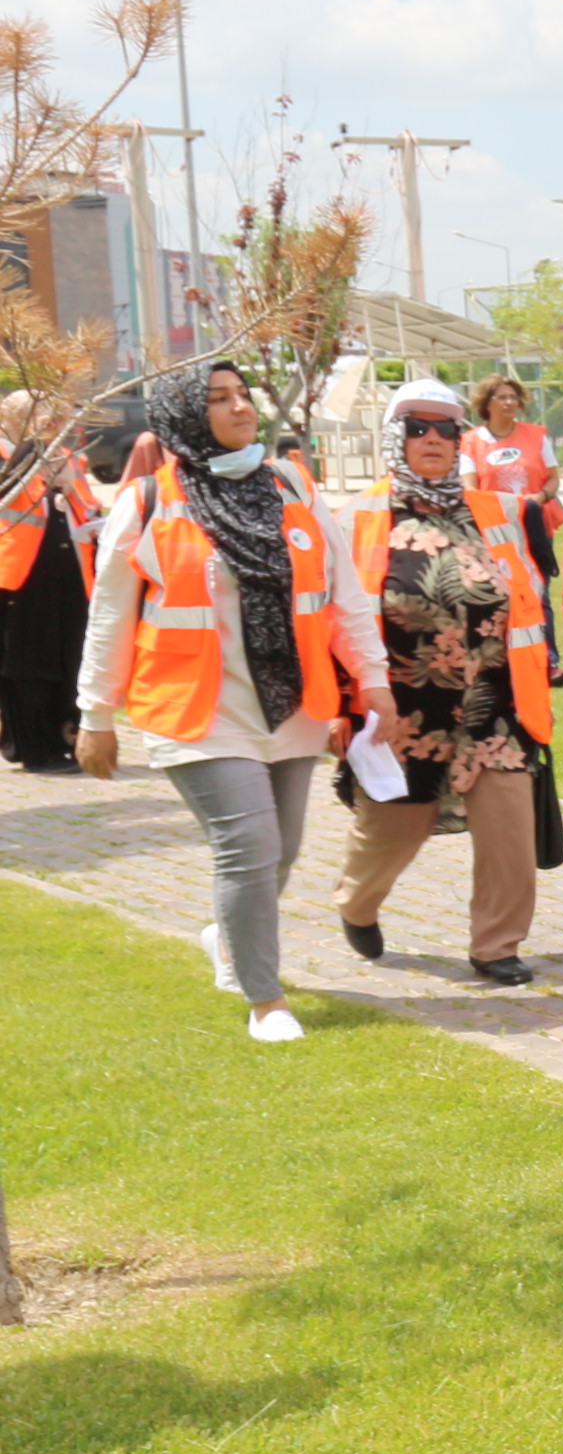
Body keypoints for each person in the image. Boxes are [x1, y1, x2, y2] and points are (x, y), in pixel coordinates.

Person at [74, 360, 388, 1042]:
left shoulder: (291, 485)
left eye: (243, 394)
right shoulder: (150, 500)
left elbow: (344, 596)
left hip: (294, 702)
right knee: (248, 845)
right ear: (187, 414)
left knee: (283, 850)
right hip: (195, 707)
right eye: (219, 399)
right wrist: (95, 716)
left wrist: (375, 681)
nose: (240, 408)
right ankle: (264, 999)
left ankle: (228, 933)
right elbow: (109, 615)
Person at [329, 380, 552, 986]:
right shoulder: (354, 519)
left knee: (510, 828)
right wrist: (338, 705)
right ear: (392, 437)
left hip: (493, 702)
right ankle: (356, 901)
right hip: (402, 709)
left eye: (447, 429)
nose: (433, 439)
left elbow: (531, 596)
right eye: (416, 427)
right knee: (393, 832)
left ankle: (497, 945)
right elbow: (332, 620)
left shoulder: (498, 512)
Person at [0, 394, 98, 772]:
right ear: (19, 417)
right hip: (18, 576)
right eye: (50, 417)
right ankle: (36, 748)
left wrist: (70, 489)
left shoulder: (65, 456)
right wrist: (34, 465)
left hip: (67, 569)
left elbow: (86, 508)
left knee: (69, 659)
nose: (60, 425)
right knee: (29, 664)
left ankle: (57, 738)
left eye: (62, 418)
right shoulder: (14, 454)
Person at [463, 375, 563, 574]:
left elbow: (554, 478)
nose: (509, 402)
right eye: (501, 398)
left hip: (534, 525)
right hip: (495, 529)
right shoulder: (471, 441)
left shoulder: (536, 436)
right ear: (486, 403)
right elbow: (470, 489)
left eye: (513, 397)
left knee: (539, 589)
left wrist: (539, 498)